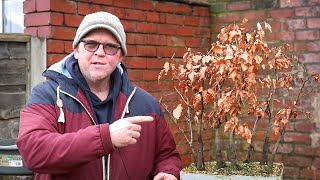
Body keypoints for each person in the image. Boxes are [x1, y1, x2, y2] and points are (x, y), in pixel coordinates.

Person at [17, 11, 182, 180]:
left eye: (110, 47)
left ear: (120, 56)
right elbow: (34, 151)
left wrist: (167, 171)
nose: (100, 52)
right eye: (91, 44)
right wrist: (106, 137)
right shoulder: (47, 95)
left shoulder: (146, 104)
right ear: (76, 50)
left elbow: (167, 155)